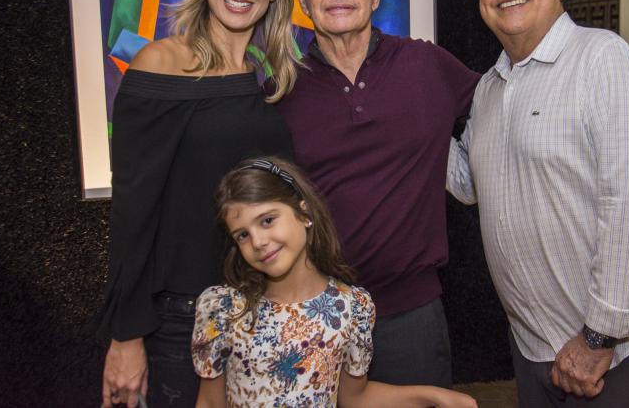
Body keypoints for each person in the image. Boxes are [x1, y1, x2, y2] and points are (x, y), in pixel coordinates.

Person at [447, 0, 629, 406]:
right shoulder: (490, 88)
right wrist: (404, 124)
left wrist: (599, 336)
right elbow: (469, 180)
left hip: (619, 355)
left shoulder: (603, 61)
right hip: (536, 349)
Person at [98, 0, 299, 408]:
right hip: (182, 322)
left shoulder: (268, 79)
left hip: (265, 311)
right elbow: (132, 214)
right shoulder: (160, 63)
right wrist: (126, 336)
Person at [274, 0, 481, 388]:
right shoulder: (282, 91)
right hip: (315, 317)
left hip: (411, 317)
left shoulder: (427, 65)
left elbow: (504, 109)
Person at [192, 157, 477, 408]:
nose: (258, 241)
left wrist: (435, 396)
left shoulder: (351, 308)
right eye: (242, 235)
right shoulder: (223, 308)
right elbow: (209, 402)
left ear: (304, 214)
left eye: (267, 221)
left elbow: (355, 398)